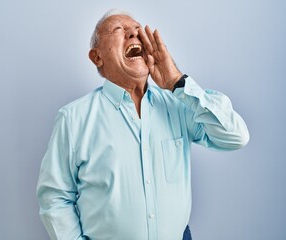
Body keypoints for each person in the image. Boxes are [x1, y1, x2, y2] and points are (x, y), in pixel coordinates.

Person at [36, 9, 249, 240]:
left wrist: (177, 81)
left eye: (138, 31)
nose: (133, 35)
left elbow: (235, 136)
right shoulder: (73, 118)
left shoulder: (180, 104)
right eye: (119, 30)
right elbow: (55, 197)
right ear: (97, 57)